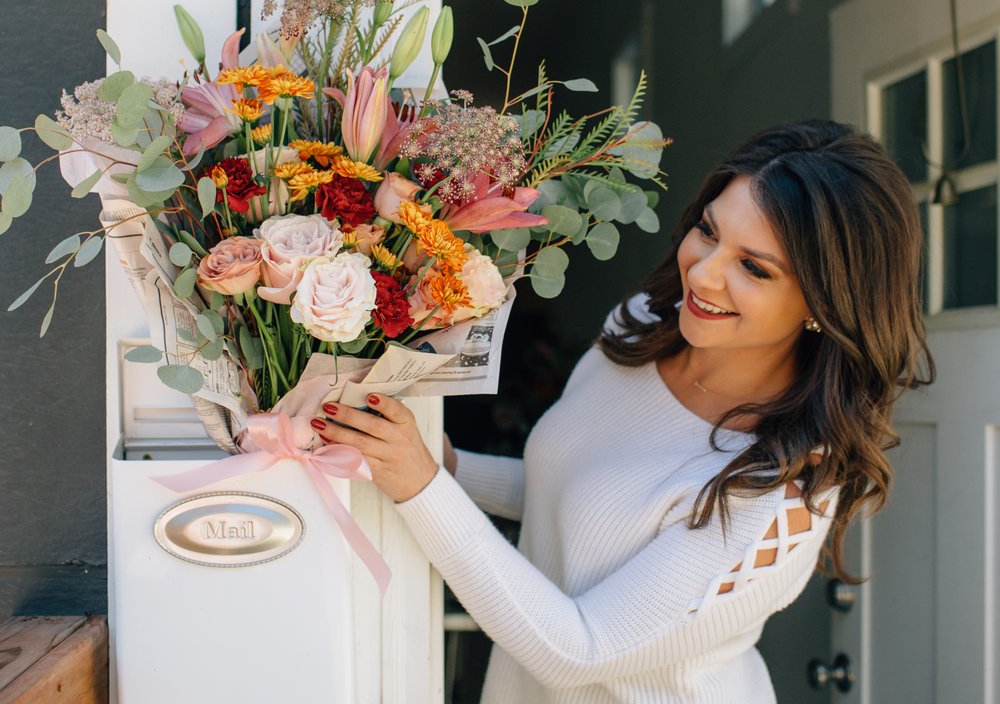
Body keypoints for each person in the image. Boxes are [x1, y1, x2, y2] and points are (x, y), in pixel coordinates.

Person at [311, 120, 934, 703]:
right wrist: (443, 464)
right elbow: (576, 500)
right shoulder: (642, 329)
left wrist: (421, 485)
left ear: (824, 303)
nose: (704, 273)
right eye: (710, 231)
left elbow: (578, 650)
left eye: (753, 267)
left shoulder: (780, 496)